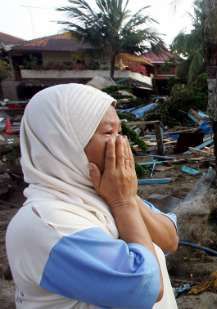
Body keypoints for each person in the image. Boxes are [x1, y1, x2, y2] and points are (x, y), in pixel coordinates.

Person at [6, 83, 179, 308]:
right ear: (64, 142)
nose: (121, 143)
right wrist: (123, 202)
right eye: (108, 132)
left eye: (120, 132)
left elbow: (170, 240)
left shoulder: (101, 193)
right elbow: (145, 287)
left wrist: (126, 196)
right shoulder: (45, 222)